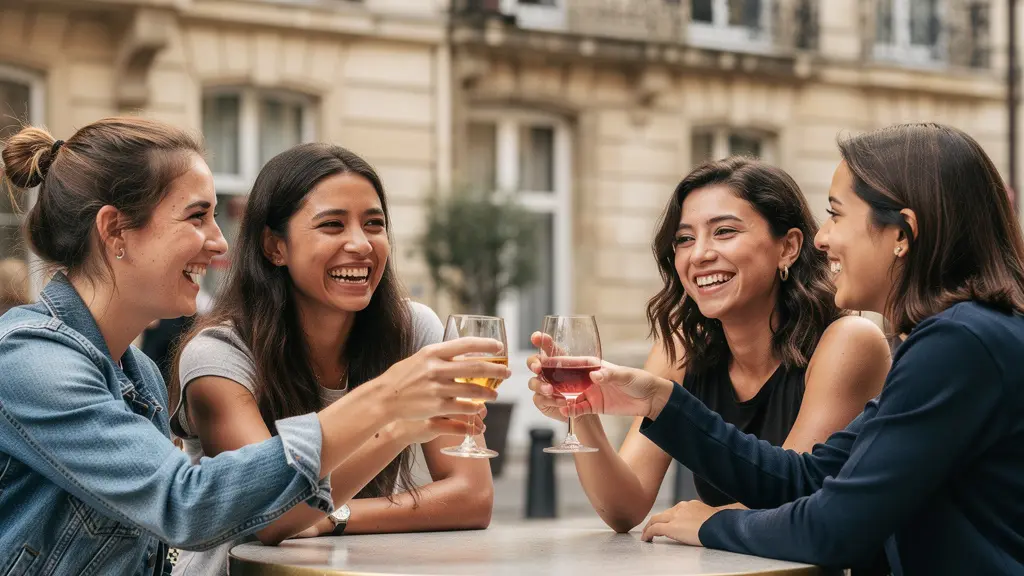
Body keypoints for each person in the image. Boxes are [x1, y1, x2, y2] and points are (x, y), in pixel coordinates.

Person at [0, 118, 507, 575]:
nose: (220, 242)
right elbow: (186, 505)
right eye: (197, 217)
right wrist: (386, 401)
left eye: (374, 223)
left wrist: (397, 425)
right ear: (115, 231)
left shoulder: (137, 376)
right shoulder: (28, 361)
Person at [531, 124, 1024, 575]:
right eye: (685, 238)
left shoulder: (958, 344)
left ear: (901, 233)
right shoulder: (955, 339)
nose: (823, 238)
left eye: (835, 214)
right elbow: (805, 479)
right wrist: (658, 401)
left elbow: (832, 528)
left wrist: (708, 525)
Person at [529, 159, 888, 554]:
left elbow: (791, 493)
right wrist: (582, 411)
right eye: (684, 239)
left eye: (724, 232)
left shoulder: (848, 341)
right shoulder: (684, 348)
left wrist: (713, 520)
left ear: (788, 247)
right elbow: (624, 508)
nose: (699, 254)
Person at [169, 143, 496, 575]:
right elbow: (269, 515)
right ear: (274, 247)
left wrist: (331, 518)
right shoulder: (220, 355)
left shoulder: (413, 330)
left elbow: (472, 496)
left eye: (374, 224)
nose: (360, 244)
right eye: (332, 225)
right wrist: (396, 425)